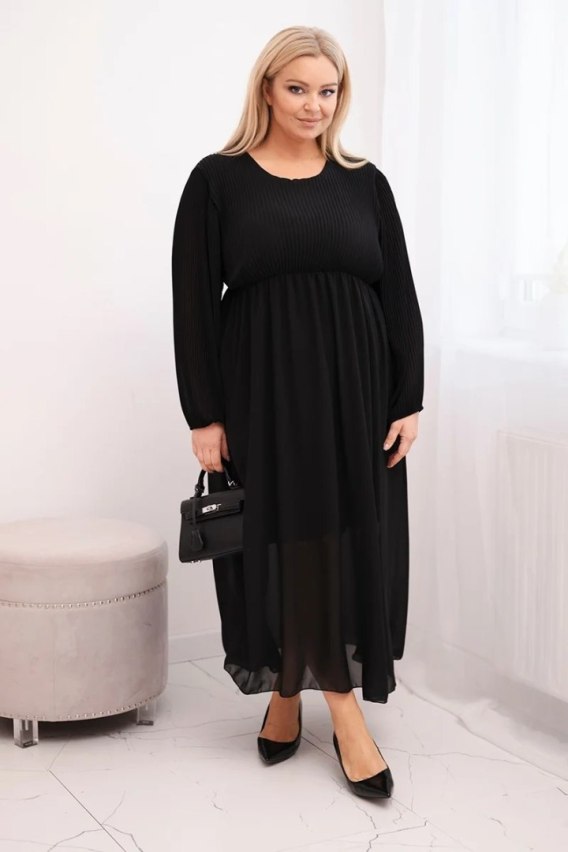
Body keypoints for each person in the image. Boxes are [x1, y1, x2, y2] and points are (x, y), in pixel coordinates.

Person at [171, 25, 424, 799]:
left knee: (344, 535)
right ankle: (340, 710)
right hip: (264, 387)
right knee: (285, 534)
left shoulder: (364, 182)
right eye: (299, 88)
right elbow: (193, 303)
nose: (315, 105)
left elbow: (398, 292)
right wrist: (204, 414)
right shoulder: (218, 180)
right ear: (267, 90)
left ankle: (292, 695)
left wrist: (408, 397)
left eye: (329, 90)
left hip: (357, 388)